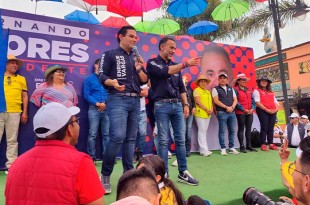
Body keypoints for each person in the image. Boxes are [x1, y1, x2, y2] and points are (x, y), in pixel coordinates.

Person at [5, 102, 105, 205]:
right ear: (70, 129)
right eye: (76, 121)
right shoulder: (81, 163)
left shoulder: (16, 165)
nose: (78, 125)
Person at [98, 25, 148, 193]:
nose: (135, 39)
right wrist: (112, 82)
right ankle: (105, 174)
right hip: (117, 99)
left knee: (130, 139)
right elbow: (101, 76)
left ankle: (129, 175)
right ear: (120, 36)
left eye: (136, 37)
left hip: (135, 100)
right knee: (118, 136)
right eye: (131, 36)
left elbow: (144, 80)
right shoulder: (110, 54)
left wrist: (139, 68)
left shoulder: (136, 57)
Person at [147, 36, 199, 186]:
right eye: (171, 47)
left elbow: (181, 88)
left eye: (175, 48)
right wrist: (185, 64)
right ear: (161, 47)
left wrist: (186, 104)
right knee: (162, 141)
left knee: (181, 139)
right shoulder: (152, 63)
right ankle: (163, 175)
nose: (173, 51)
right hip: (161, 105)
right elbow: (165, 72)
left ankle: (183, 172)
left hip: (177, 105)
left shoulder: (177, 66)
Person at [0, 55, 28, 174]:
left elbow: (25, 96)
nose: (15, 65)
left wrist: (25, 112)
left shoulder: (21, 78)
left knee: (12, 140)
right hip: (0, 110)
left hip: (15, 111)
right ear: (5, 64)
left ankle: (11, 165)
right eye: (12, 63)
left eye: (16, 63)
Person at [83, 59, 109, 162]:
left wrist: (105, 104)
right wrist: (97, 103)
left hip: (107, 109)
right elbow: (86, 95)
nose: (101, 67)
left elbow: (111, 93)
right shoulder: (89, 79)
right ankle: (91, 157)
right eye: (100, 64)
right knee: (92, 134)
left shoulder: (108, 80)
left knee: (106, 134)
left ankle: (107, 157)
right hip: (94, 109)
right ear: (95, 65)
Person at [212, 73, 239, 156]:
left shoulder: (231, 89)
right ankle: (223, 148)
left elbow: (235, 100)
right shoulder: (215, 89)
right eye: (221, 78)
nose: (222, 79)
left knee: (232, 130)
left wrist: (232, 107)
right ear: (218, 80)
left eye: (224, 78)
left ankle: (231, 147)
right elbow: (216, 101)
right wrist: (226, 107)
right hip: (222, 112)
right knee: (222, 131)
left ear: (227, 80)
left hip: (232, 112)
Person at [253, 76, 279, 151]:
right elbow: (257, 102)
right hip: (262, 110)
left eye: (265, 81)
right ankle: (263, 144)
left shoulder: (271, 92)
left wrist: (275, 110)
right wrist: (267, 110)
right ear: (259, 82)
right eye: (262, 81)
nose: (264, 82)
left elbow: (276, 103)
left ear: (267, 83)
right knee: (264, 127)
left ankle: (271, 144)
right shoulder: (256, 91)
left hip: (272, 111)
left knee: (271, 128)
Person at [234, 73, 257, 153]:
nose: (244, 81)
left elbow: (253, 100)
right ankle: (241, 146)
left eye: (245, 80)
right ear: (238, 81)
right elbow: (236, 101)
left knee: (248, 129)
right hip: (240, 112)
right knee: (241, 129)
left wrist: (252, 109)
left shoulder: (248, 90)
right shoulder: (235, 90)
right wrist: (243, 109)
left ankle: (249, 145)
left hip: (250, 112)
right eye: (242, 80)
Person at [193, 74, 213, 156]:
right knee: (201, 131)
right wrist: (206, 109)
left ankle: (204, 149)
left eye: (204, 81)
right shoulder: (196, 90)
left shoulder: (208, 92)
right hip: (200, 113)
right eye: (201, 82)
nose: (203, 83)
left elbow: (211, 102)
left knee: (204, 131)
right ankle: (203, 150)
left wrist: (211, 109)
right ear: (198, 83)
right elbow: (198, 101)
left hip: (208, 114)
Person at [182, 75, 196, 157]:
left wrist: (194, 107)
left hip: (190, 113)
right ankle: (182, 150)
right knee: (182, 131)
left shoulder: (190, 90)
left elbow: (193, 101)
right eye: (183, 79)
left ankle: (188, 150)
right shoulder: (178, 90)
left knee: (188, 131)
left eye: (186, 79)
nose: (185, 80)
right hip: (182, 113)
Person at [135, 85, 149, 162]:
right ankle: (130, 154)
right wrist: (140, 91)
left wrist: (134, 91)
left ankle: (139, 153)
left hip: (142, 111)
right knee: (131, 134)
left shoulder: (142, 79)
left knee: (143, 133)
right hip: (131, 111)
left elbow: (145, 93)